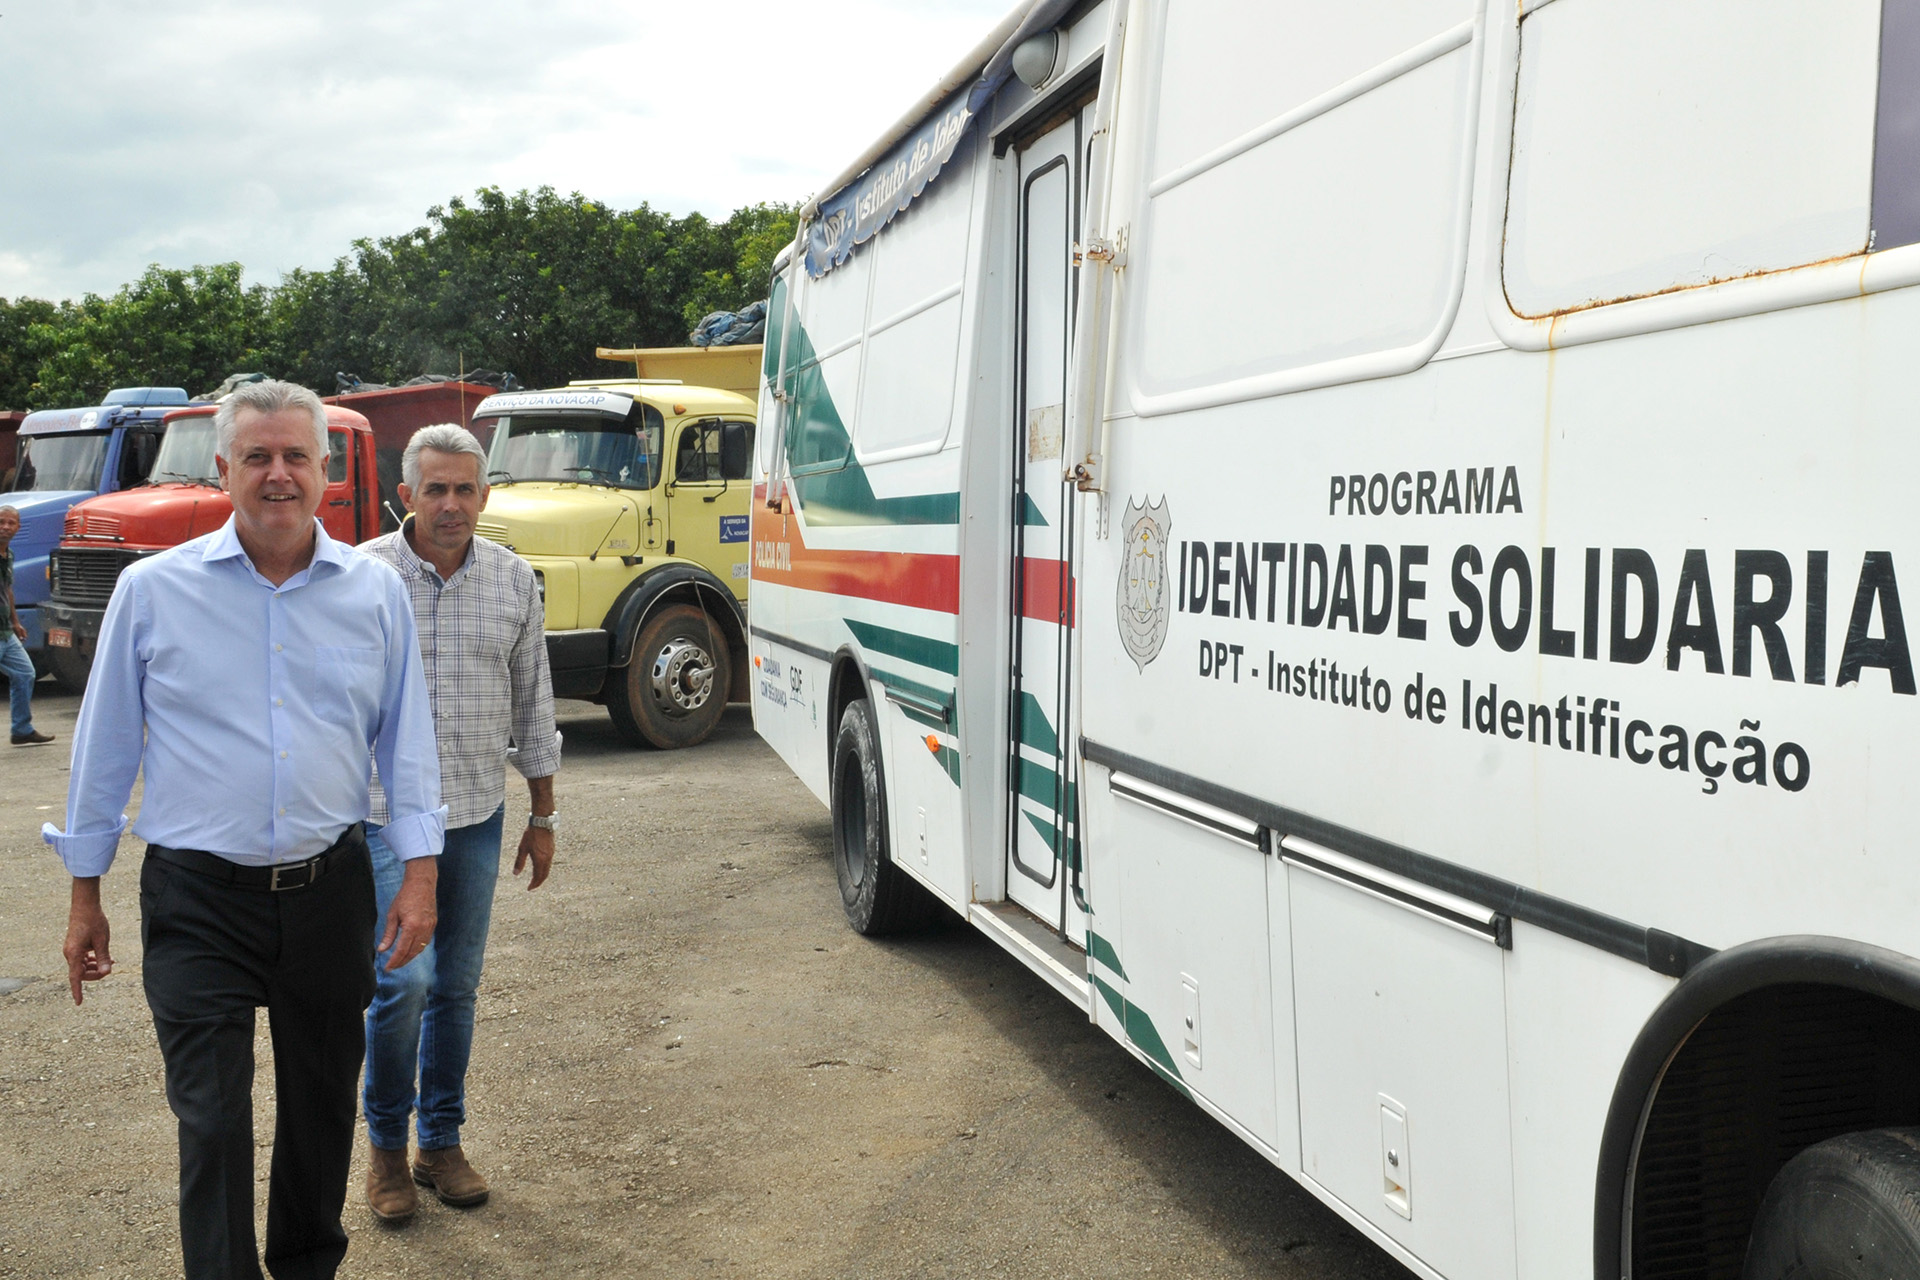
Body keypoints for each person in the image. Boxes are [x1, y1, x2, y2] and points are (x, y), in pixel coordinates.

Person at [46, 380, 447, 1280]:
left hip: (328, 890)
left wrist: (419, 876)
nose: (278, 475)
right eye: (257, 457)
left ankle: (307, 1265)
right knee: (214, 1118)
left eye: (295, 457)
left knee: (317, 1108)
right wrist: (85, 896)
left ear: (325, 469)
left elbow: (406, 744)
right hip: (196, 899)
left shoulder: (373, 594)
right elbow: (104, 751)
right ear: (223, 469)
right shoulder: (153, 592)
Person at [357, 423, 560, 1222]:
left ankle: (439, 1142)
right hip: (380, 819)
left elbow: (534, 703)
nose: (450, 504)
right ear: (406, 496)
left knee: (457, 986)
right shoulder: (361, 576)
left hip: (475, 812)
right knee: (401, 982)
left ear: (484, 494)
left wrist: (544, 813)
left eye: (464, 488)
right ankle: (383, 1152)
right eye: (434, 489)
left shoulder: (513, 580)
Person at [0, 504, 54, 747]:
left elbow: (7, 589)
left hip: (5, 630)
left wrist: (15, 621)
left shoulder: (8, 555)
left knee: (25, 673)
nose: (5, 527)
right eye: (1, 522)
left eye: (10, 523)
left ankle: (21, 729)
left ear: (18, 528)